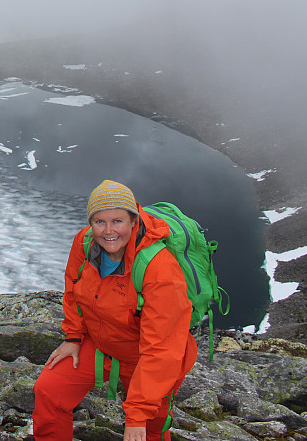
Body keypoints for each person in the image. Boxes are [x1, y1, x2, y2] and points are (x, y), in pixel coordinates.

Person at [32, 180, 197, 441]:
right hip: (99, 344)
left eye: (117, 221)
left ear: (134, 221)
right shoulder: (85, 243)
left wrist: (137, 416)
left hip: (146, 358)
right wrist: (73, 337)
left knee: (151, 429)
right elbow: (73, 287)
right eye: (99, 222)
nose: (108, 231)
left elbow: (162, 349)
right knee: (49, 392)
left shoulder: (159, 269)